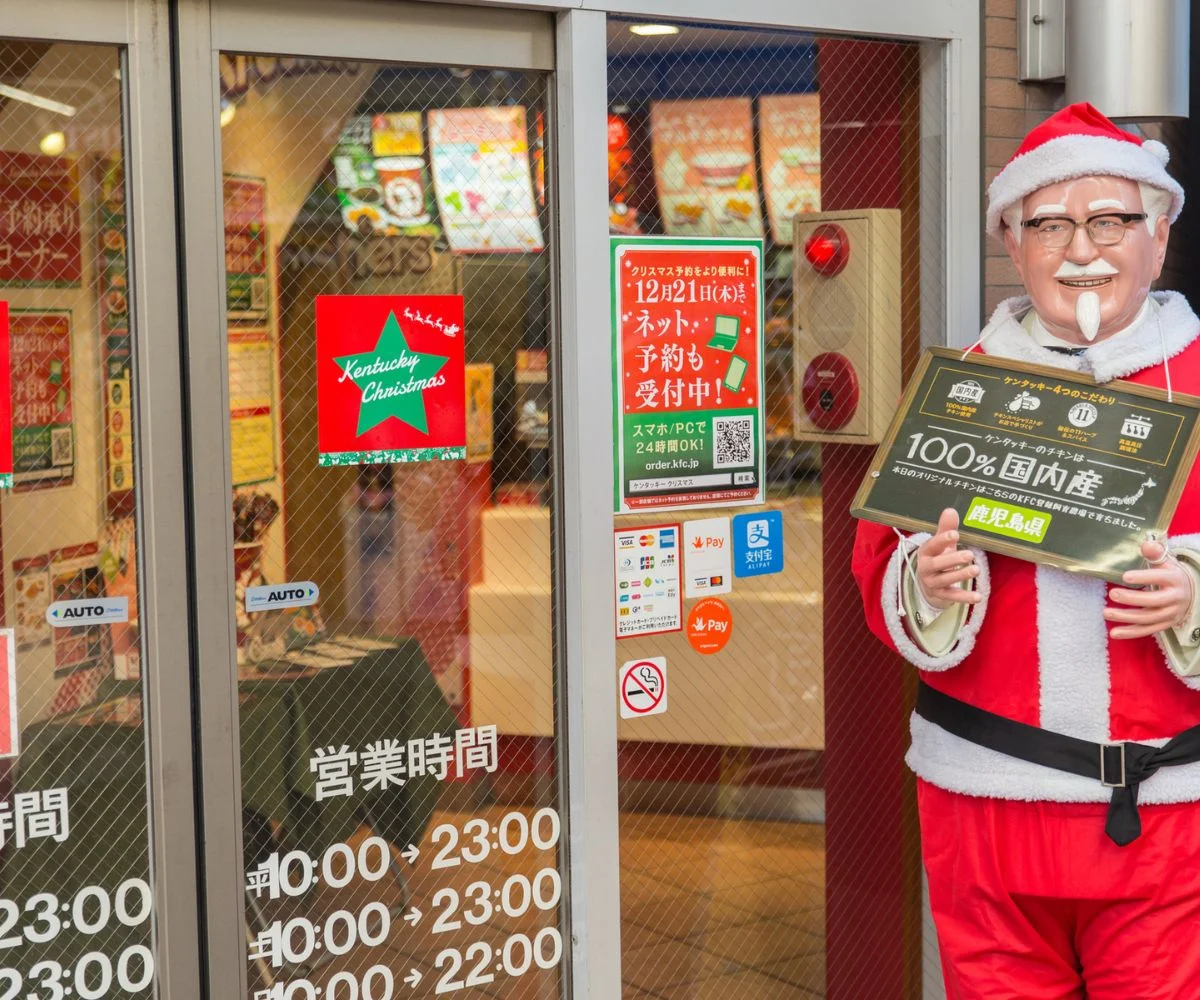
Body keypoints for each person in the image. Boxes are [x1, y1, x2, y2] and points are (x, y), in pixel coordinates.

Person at [853, 103, 1200, 999]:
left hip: (1168, 810)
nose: (1080, 247)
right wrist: (923, 583)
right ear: (1014, 244)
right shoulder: (957, 388)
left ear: (1158, 238)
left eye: (1110, 219)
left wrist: (1192, 600)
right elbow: (877, 560)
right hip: (984, 798)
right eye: (1049, 224)